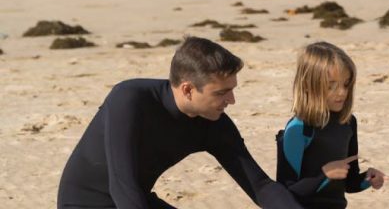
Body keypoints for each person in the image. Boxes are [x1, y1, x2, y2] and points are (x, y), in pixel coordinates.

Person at [57, 37, 302, 208]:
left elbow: (260, 186)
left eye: (232, 90)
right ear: (187, 89)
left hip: (138, 200)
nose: (232, 100)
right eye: (221, 93)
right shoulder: (130, 100)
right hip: (84, 203)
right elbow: (122, 183)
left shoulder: (214, 123)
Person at [275, 42, 385, 209]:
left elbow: (349, 183)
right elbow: (284, 194)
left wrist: (368, 179)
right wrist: (323, 175)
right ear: (308, 85)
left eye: (346, 84)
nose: (341, 92)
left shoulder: (348, 122)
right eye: (330, 86)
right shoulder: (299, 129)